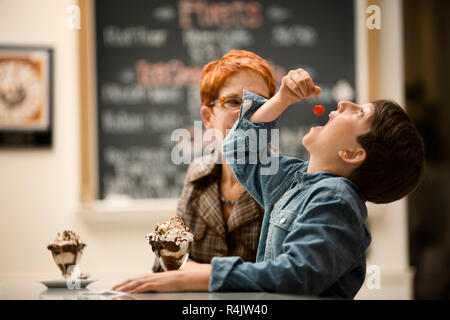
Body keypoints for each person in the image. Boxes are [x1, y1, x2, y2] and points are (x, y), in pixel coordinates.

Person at [113, 68, 425, 299]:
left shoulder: (336, 200)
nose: (343, 105)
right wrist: (282, 98)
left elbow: (295, 274)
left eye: (358, 113)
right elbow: (239, 150)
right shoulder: (295, 179)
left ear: (353, 153)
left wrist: (197, 276)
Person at [151, 50, 277, 272]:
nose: (246, 113)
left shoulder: (286, 182)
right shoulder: (198, 175)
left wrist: (198, 272)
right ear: (208, 118)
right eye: (233, 101)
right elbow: (168, 263)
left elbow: (287, 276)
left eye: (259, 102)